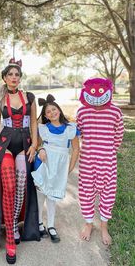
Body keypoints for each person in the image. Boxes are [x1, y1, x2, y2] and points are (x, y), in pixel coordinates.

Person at [0, 58, 40, 264]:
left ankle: (14, 222)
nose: (14, 78)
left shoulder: (30, 97)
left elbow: (33, 122)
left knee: (21, 185)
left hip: (24, 144)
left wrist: (34, 145)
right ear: (5, 78)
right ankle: (10, 239)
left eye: (17, 75)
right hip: (5, 145)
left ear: (20, 78)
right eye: (10, 75)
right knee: (8, 185)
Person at [76, 78, 124, 245]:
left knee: (108, 193)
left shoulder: (115, 112)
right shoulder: (82, 112)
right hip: (87, 161)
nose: (97, 98)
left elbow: (119, 133)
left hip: (108, 161)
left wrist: (110, 151)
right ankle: (89, 223)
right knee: (86, 192)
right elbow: (79, 132)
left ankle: (104, 225)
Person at [31, 94, 80, 243]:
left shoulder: (70, 128)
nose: (52, 113)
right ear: (45, 116)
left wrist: (69, 169)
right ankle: (39, 224)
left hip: (60, 166)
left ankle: (51, 226)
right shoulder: (43, 128)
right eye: (48, 112)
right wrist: (40, 150)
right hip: (43, 163)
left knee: (52, 197)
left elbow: (76, 149)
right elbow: (37, 145)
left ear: (59, 109)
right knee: (41, 195)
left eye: (54, 109)